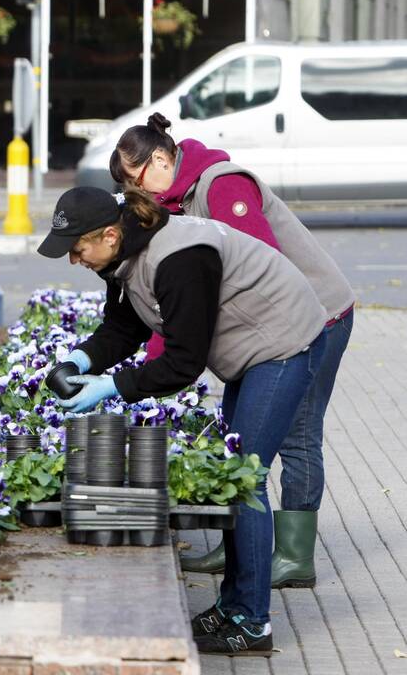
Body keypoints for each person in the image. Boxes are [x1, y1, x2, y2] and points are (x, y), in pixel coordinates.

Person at [40, 186, 327, 656]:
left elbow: (183, 362)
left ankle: (252, 622)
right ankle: (233, 603)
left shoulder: (179, 258)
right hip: (252, 350)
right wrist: (78, 361)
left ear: (110, 234)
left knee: (246, 478)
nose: (75, 260)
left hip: (283, 343)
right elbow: (123, 327)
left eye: (77, 250)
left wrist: (112, 387)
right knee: (233, 474)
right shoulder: (125, 256)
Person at [110, 113, 354, 589]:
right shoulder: (177, 201)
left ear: (160, 158)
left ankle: (294, 555)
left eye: (137, 181)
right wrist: (154, 361)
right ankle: (242, 541)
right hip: (262, 330)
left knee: (296, 434)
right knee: (237, 432)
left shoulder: (222, 187)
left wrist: (182, 347)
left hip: (315, 316)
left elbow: (265, 268)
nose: (139, 195)